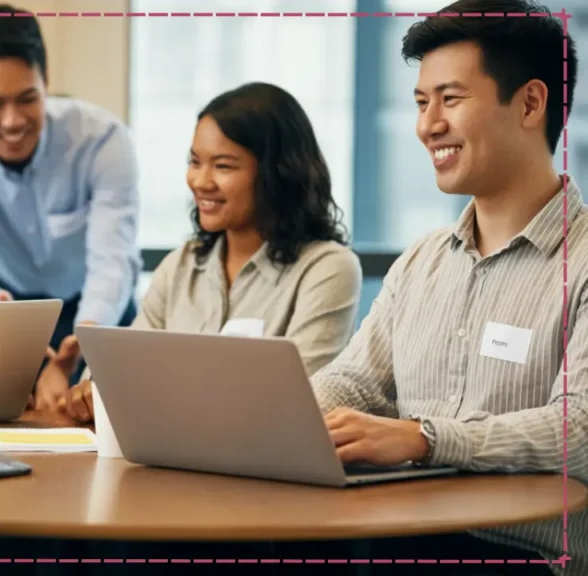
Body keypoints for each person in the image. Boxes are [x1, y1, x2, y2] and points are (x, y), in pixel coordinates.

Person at [307, 0, 583, 573]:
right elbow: (358, 381)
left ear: (531, 102)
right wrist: (283, 416)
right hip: (392, 534)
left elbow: (578, 428)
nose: (428, 124)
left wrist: (424, 439)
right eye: (420, 102)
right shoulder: (423, 260)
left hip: (523, 555)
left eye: (450, 100)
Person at [56, 82, 363, 423]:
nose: (200, 181)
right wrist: (92, 387)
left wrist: (152, 391)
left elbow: (300, 402)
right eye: (195, 161)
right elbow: (120, 371)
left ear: (279, 173)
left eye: (223, 166)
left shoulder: (328, 269)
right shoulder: (181, 265)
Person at [0, 3, 142, 406]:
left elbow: (113, 260)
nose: (13, 120)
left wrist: (83, 343)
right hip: (8, 314)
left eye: (27, 98)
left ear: (46, 80)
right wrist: (13, 340)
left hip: (99, 311)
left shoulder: (103, 140)